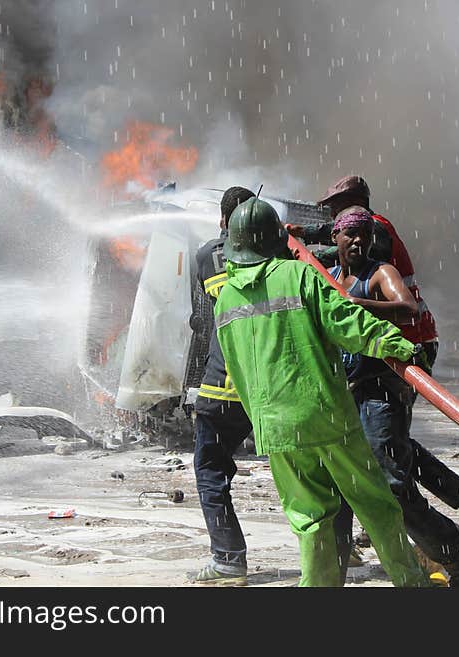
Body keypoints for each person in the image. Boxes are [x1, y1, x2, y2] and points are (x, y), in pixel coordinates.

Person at [214, 196, 430, 587]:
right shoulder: (298, 276)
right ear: (276, 238)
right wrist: (400, 347)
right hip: (325, 415)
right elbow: (347, 322)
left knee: (310, 519)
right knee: (376, 505)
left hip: (276, 430)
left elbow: (238, 369)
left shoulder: (226, 299)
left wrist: (263, 420)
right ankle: (413, 584)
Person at [287, 174, 459, 542]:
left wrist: (307, 246)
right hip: (376, 355)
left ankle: (447, 535)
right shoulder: (347, 253)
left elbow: (395, 299)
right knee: (380, 443)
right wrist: (300, 236)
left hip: (403, 350)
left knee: (385, 444)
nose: (347, 232)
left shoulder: (375, 234)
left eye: (336, 210)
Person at [326, 204, 459, 586]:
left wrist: (360, 305)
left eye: (364, 234)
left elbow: (407, 308)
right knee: (341, 480)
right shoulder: (329, 276)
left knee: (393, 484)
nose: (358, 240)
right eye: (350, 233)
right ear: (335, 237)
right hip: (346, 392)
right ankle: (331, 572)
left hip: (381, 391)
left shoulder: (378, 274)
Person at [190, 186, 256, 586]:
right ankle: (340, 548)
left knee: (211, 469)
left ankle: (229, 560)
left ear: (223, 222)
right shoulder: (285, 263)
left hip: (224, 386)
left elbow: (202, 318)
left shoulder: (207, 256)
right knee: (311, 471)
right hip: (275, 388)